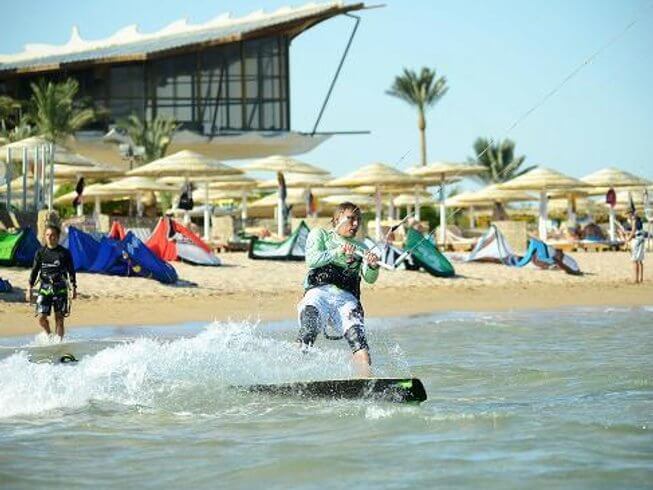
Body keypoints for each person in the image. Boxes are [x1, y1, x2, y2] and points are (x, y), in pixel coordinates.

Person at [296, 202, 380, 377]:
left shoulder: (362, 248)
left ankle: (367, 382)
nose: (355, 224)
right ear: (337, 219)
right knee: (309, 330)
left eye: (358, 220)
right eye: (351, 219)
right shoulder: (320, 235)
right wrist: (338, 252)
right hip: (318, 293)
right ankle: (292, 374)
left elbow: (370, 279)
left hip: (346, 300)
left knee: (359, 341)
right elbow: (312, 260)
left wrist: (372, 265)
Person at [27, 224, 77, 339]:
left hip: (60, 288)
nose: (50, 237)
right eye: (47, 235)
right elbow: (34, 271)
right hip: (45, 288)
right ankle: (49, 335)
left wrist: (74, 287)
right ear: (45, 236)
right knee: (41, 318)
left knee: (59, 318)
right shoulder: (40, 252)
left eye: (53, 235)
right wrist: (29, 288)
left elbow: (71, 271)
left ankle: (58, 343)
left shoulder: (64, 253)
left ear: (58, 237)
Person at [625, 209, 645, 284]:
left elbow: (633, 231)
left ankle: (636, 279)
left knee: (635, 260)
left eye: (627, 214)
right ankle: (641, 278)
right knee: (640, 260)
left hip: (637, 240)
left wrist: (627, 240)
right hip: (641, 239)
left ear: (630, 213)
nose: (627, 216)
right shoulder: (638, 219)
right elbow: (637, 230)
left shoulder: (634, 220)